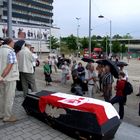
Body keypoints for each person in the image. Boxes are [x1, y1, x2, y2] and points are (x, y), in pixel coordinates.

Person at [0, 38, 19, 122]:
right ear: (9, 43)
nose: (14, 44)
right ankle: (7, 117)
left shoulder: (0, 50)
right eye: (13, 42)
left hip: (1, 79)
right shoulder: (11, 52)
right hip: (9, 78)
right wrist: (2, 76)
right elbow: (9, 66)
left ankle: (1, 114)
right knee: (9, 98)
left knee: (2, 96)